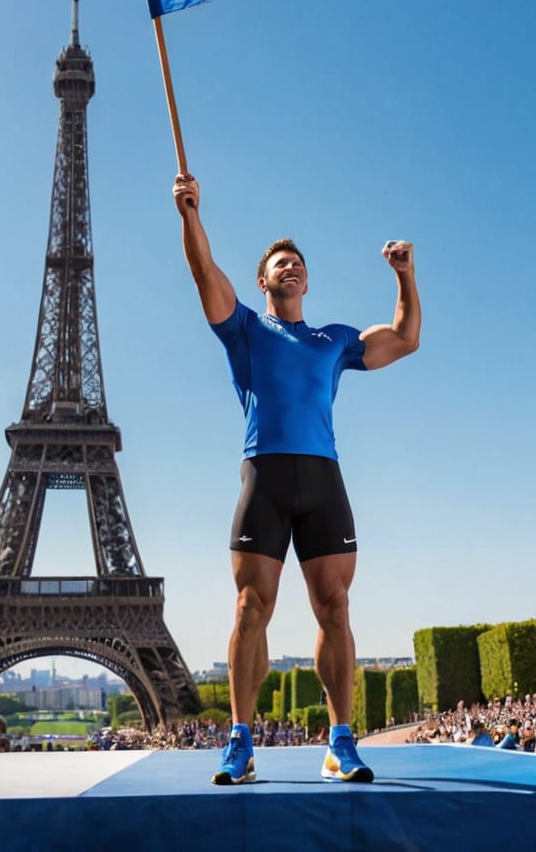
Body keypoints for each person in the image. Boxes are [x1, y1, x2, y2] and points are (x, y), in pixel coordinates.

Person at [172, 172, 421, 786]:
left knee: (335, 607)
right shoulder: (245, 329)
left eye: (297, 264)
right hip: (266, 475)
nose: (291, 269)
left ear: (307, 280)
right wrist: (191, 216)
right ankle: (240, 740)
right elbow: (206, 275)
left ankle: (341, 740)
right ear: (264, 281)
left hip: (324, 480)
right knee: (250, 608)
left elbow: (406, 339)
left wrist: (404, 275)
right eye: (280, 264)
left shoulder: (333, 340)